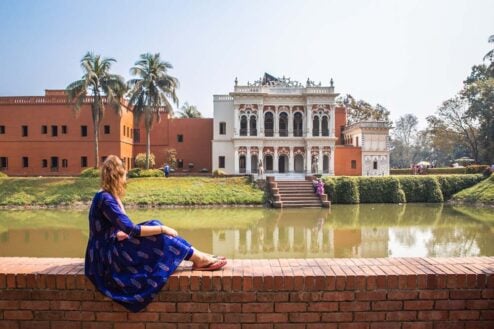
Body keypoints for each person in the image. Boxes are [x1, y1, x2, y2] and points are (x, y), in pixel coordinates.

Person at [85, 155, 227, 312]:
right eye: (125, 175)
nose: (126, 180)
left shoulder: (107, 195)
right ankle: (199, 258)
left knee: (154, 223)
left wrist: (120, 231)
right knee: (159, 233)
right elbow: (131, 229)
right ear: (117, 176)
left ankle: (198, 255)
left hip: (109, 244)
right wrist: (163, 229)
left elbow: (116, 227)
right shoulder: (106, 199)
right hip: (106, 256)